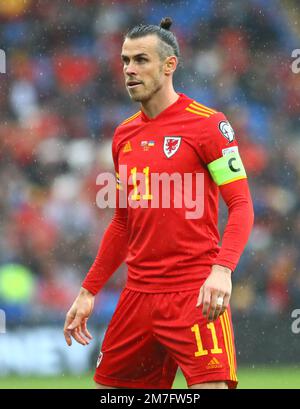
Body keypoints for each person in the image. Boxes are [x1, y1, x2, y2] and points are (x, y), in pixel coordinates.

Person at [63, 17, 254, 389]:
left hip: (195, 294)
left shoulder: (208, 126)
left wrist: (222, 269)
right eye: (124, 61)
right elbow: (123, 223)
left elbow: (242, 205)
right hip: (137, 296)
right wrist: (89, 291)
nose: (129, 70)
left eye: (141, 60)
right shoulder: (123, 136)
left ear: (170, 65)